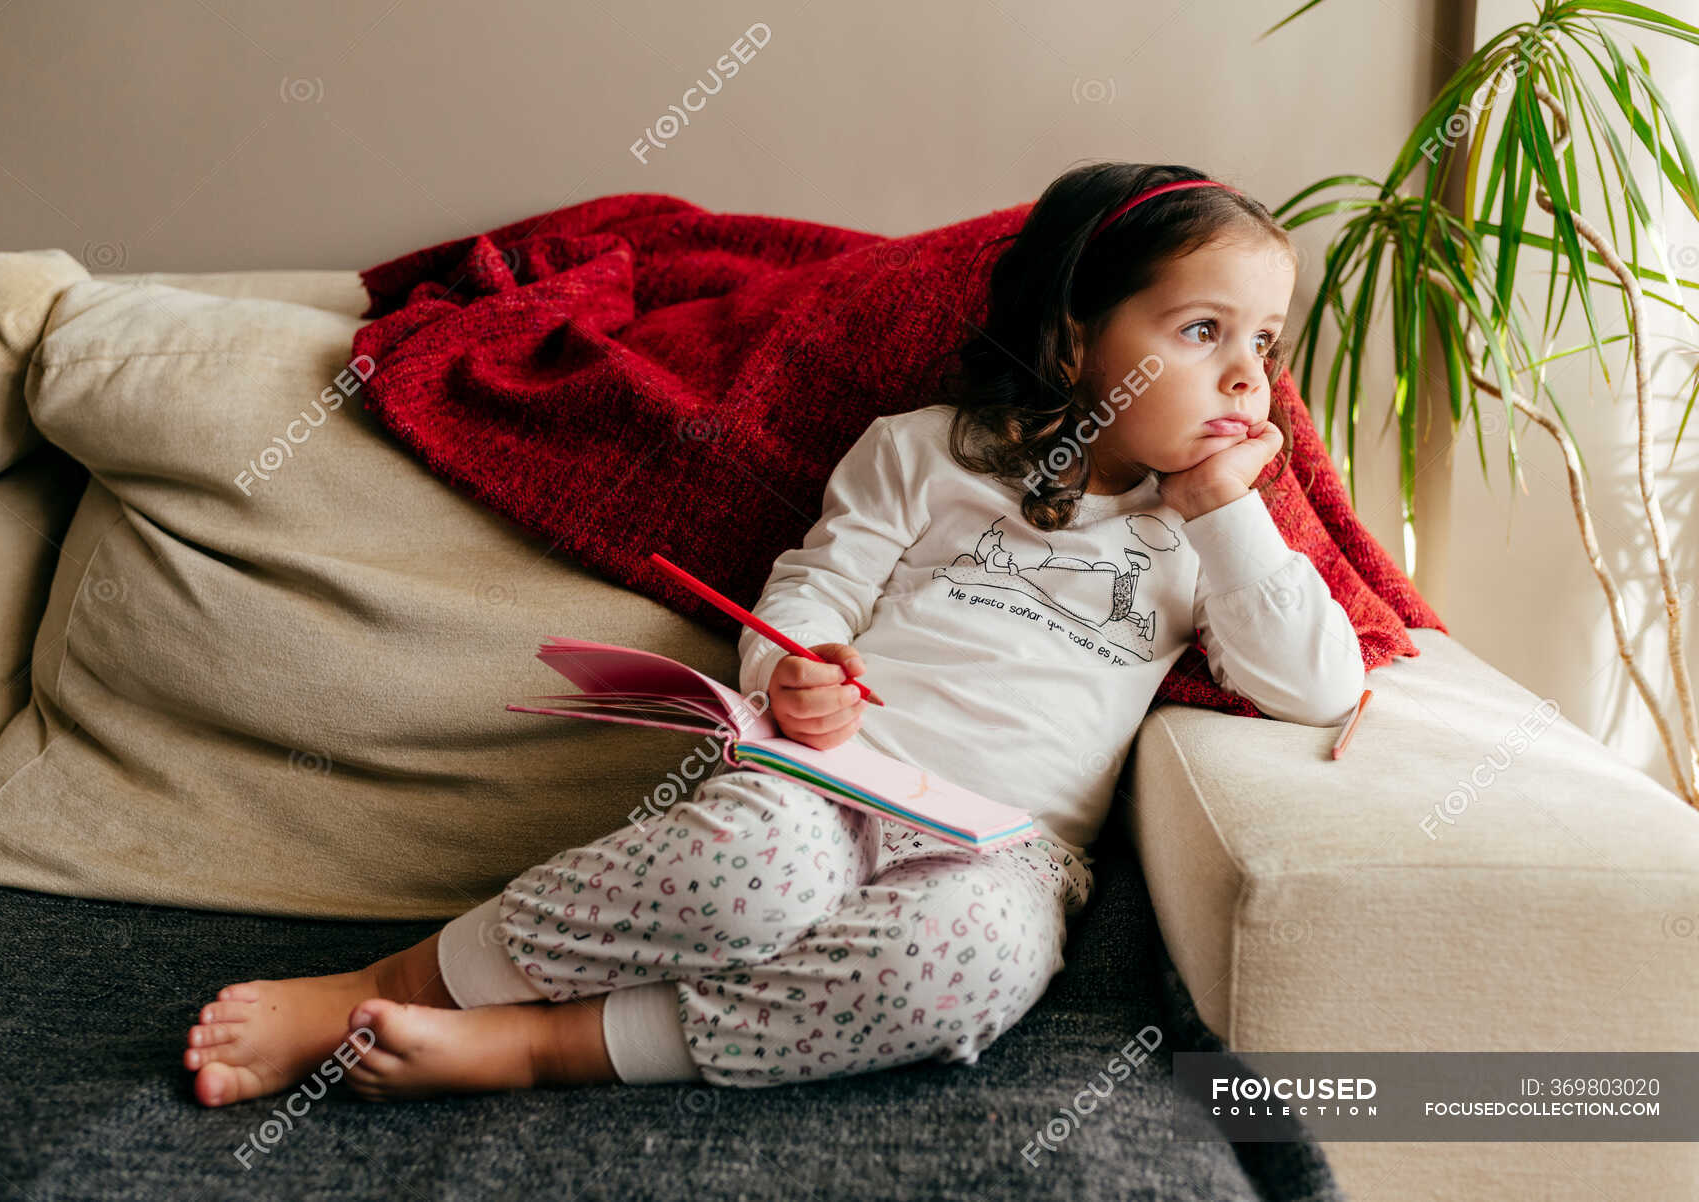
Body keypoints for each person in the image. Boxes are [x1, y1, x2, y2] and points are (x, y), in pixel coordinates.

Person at [182, 162, 1367, 1106]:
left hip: (1009, 844)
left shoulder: (1213, 534)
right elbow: (812, 589)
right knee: (744, 873)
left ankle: (540, 1048)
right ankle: (381, 982)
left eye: (1265, 342)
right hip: (830, 775)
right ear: (1078, 332)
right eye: (1203, 329)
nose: (1248, 379)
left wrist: (1231, 515)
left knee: (965, 971)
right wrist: (796, 667)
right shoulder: (928, 452)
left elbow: (1315, 685)